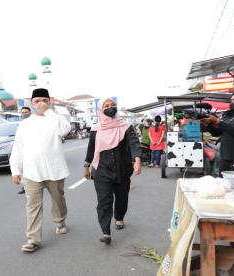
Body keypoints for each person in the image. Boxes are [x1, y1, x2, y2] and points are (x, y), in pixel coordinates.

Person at [10, 88, 71, 253]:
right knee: (32, 206)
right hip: (32, 172)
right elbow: (18, 148)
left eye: (44, 100)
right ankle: (33, 239)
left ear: (49, 102)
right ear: (31, 102)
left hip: (55, 170)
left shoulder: (55, 119)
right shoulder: (24, 124)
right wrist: (15, 169)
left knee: (58, 199)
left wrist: (49, 112)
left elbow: (65, 130)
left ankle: (60, 221)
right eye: (37, 101)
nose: (40, 103)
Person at [83, 98, 141, 245]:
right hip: (101, 170)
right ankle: (106, 232)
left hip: (123, 169)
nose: (110, 107)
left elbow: (134, 143)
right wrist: (86, 166)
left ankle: (119, 217)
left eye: (112, 105)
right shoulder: (96, 129)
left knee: (122, 198)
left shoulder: (126, 126)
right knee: (104, 201)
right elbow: (91, 149)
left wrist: (137, 160)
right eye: (106, 105)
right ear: (100, 110)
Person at [17, 107, 32, 195]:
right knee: (23, 169)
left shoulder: (34, 122)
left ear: (30, 113)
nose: (24, 114)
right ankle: (25, 187)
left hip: (34, 150)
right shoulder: (20, 124)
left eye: (26, 112)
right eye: (23, 112)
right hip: (23, 150)